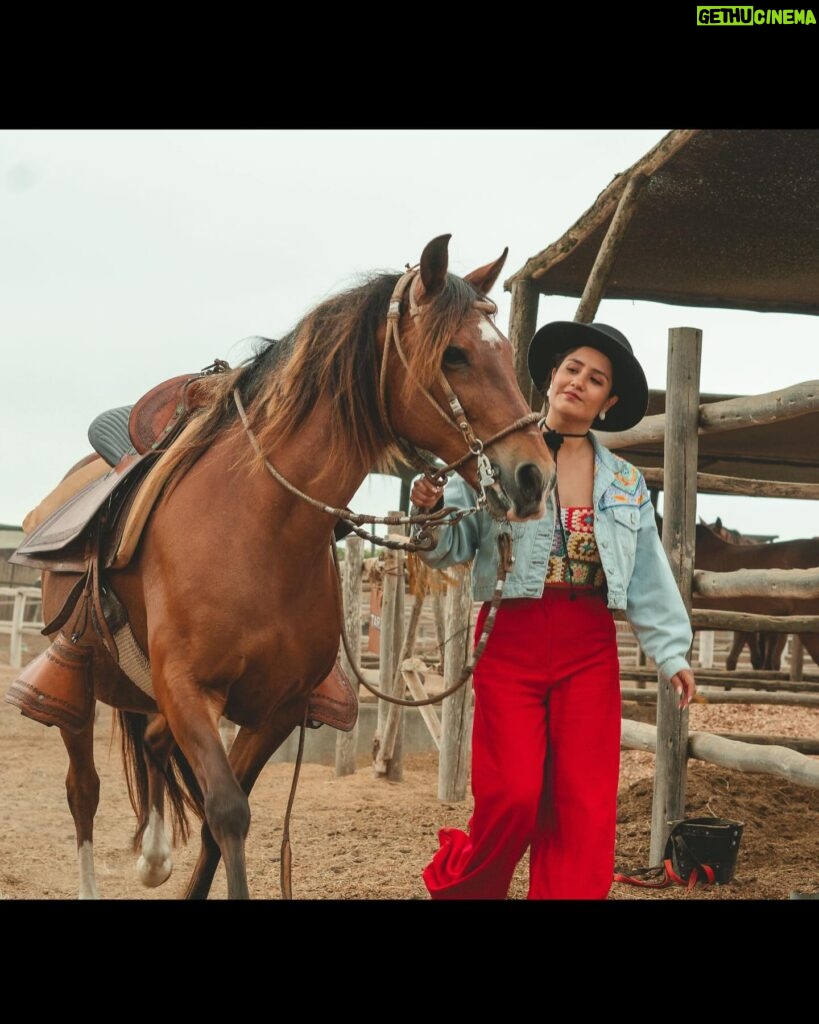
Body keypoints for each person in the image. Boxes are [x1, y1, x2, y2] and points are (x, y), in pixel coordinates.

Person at [410, 320, 697, 900]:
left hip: (588, 645)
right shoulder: (494, 458)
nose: (579, 383)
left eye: (595, 380)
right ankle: (466, 888)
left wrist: (671, 654)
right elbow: (452, 547)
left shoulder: (625, 484)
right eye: (572, 369)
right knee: (512, 795)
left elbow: (647, 575)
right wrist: (432, 509)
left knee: (582, 803)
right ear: (549, 377)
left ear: (607, 402)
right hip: (510, 638)